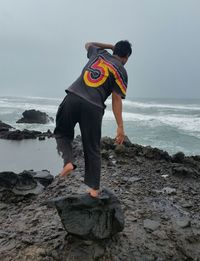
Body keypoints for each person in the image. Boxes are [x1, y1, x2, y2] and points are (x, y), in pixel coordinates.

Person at [54, 40, 132, 197]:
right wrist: (120, 126)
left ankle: (68, 162)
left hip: (73, 96)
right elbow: (116, 99)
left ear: (114, 50)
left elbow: (87, 43)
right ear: (126, 57)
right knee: (92, 148)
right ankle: (94, 189)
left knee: (62, 133)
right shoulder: (122, 71)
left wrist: (109, 47)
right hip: (93, 107)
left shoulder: (99, 53)